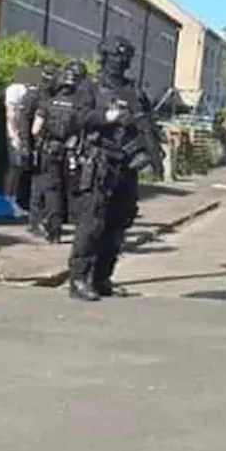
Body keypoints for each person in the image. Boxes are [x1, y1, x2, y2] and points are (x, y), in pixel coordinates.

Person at [65, 36, 165, 301]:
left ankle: (101, 277)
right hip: (98, 163)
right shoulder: (91, 88)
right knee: (92, 224)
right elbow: (76, 119)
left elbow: (148, 124)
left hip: (126, 165)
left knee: (118, 225)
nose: (120, 62)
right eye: (115, 56)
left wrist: (152, 149)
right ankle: (78, 279)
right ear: (105, 57)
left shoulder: (134, 91)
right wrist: (105, 117)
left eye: (125, 57)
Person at [27, 61, 88, 244]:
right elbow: (82, 130)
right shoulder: (79, 105)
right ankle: (74, 225)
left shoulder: (48, 103)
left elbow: (35, 130)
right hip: (69, 151)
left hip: (49, 150)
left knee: (51, 190)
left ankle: (53, 230)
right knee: (69, 190)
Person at [17, 64, 57, 231]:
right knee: (36, 183)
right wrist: (26, 145)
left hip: (47, 144)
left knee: (45, 183)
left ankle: (44, 218)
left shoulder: (51, 95)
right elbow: (24, 121)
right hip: (35, 144)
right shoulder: (34, 95)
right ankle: (35, 220)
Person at [2, 77, 31, 216]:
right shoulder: (15, 89)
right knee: (14, 166)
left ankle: (13, 200)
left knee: (19, 167)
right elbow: (11, 114)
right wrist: (14, 134)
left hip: (23, 133)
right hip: (15, 134)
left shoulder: (28, 89)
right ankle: (8, 201)